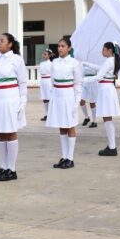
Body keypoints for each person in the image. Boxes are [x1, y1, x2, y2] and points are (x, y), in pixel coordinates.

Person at [0, 33, 28, 181]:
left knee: (10, 132)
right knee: (0, 133)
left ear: (10, 44)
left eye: (2, 41)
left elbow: (22, 83)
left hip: (10, 99)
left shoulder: (16, 59)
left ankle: (12, 169)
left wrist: (23, 103)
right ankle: (3, 167)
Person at [47, 35, 85, 168]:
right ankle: (64, 157)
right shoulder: (54, 62)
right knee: (61, 126)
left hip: (69, 96)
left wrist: (76, 102)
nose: (60, 48)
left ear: (69, 48)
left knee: (70, 126)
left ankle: (70, 157)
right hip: (57, 96)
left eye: (63, 46)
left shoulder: (74, 63)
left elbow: (78, 84)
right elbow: (52, 81)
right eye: (58, 46)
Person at [88, 42, 120, 156]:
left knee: (107, 119)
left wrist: (82, 80)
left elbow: (99, 77)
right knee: (108, 119)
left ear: (109, 50)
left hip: (106, 90)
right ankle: (112, 146)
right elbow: (102, 69)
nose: (102, 51)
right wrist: (88, 64)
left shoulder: (109, 61)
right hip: (108, 89)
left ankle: (112, 147)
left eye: (103, 49)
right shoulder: (112, 60)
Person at [37, 47, 53, 121]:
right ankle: (46, 114)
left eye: (45, 54)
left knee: (49, 98)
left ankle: (51, 114)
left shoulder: (51, 64)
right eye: (43, 54)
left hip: (48, 81)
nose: (44, 55)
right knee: (44, 98)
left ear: (49, 55)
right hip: (43, 81)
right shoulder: (41, 63)